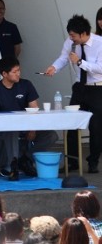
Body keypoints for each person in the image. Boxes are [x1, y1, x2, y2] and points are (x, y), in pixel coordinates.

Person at [44, 14, 102, 173]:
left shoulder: (99, 43)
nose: (71, 38)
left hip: (97, 88)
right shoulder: (70, 43)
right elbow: (63, 58)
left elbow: (100, 68)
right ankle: (72, 161)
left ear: (83, 34)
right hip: (79, 87)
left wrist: (80, 62)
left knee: (96, 127)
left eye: (73, 35)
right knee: (72, 123)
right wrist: (54, 67)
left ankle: (93, 161)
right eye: (70, 35)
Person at [0, 56, 58, 179]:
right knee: (12, 132)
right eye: (14, 72)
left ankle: (25, 158)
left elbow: (34, 108)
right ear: (4, 74)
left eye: (19, 70)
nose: (18, 74)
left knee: (51, 135)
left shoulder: (26, 85)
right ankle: (13, 165)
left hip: (26, 126)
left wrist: (32, 128)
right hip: (5, 130)